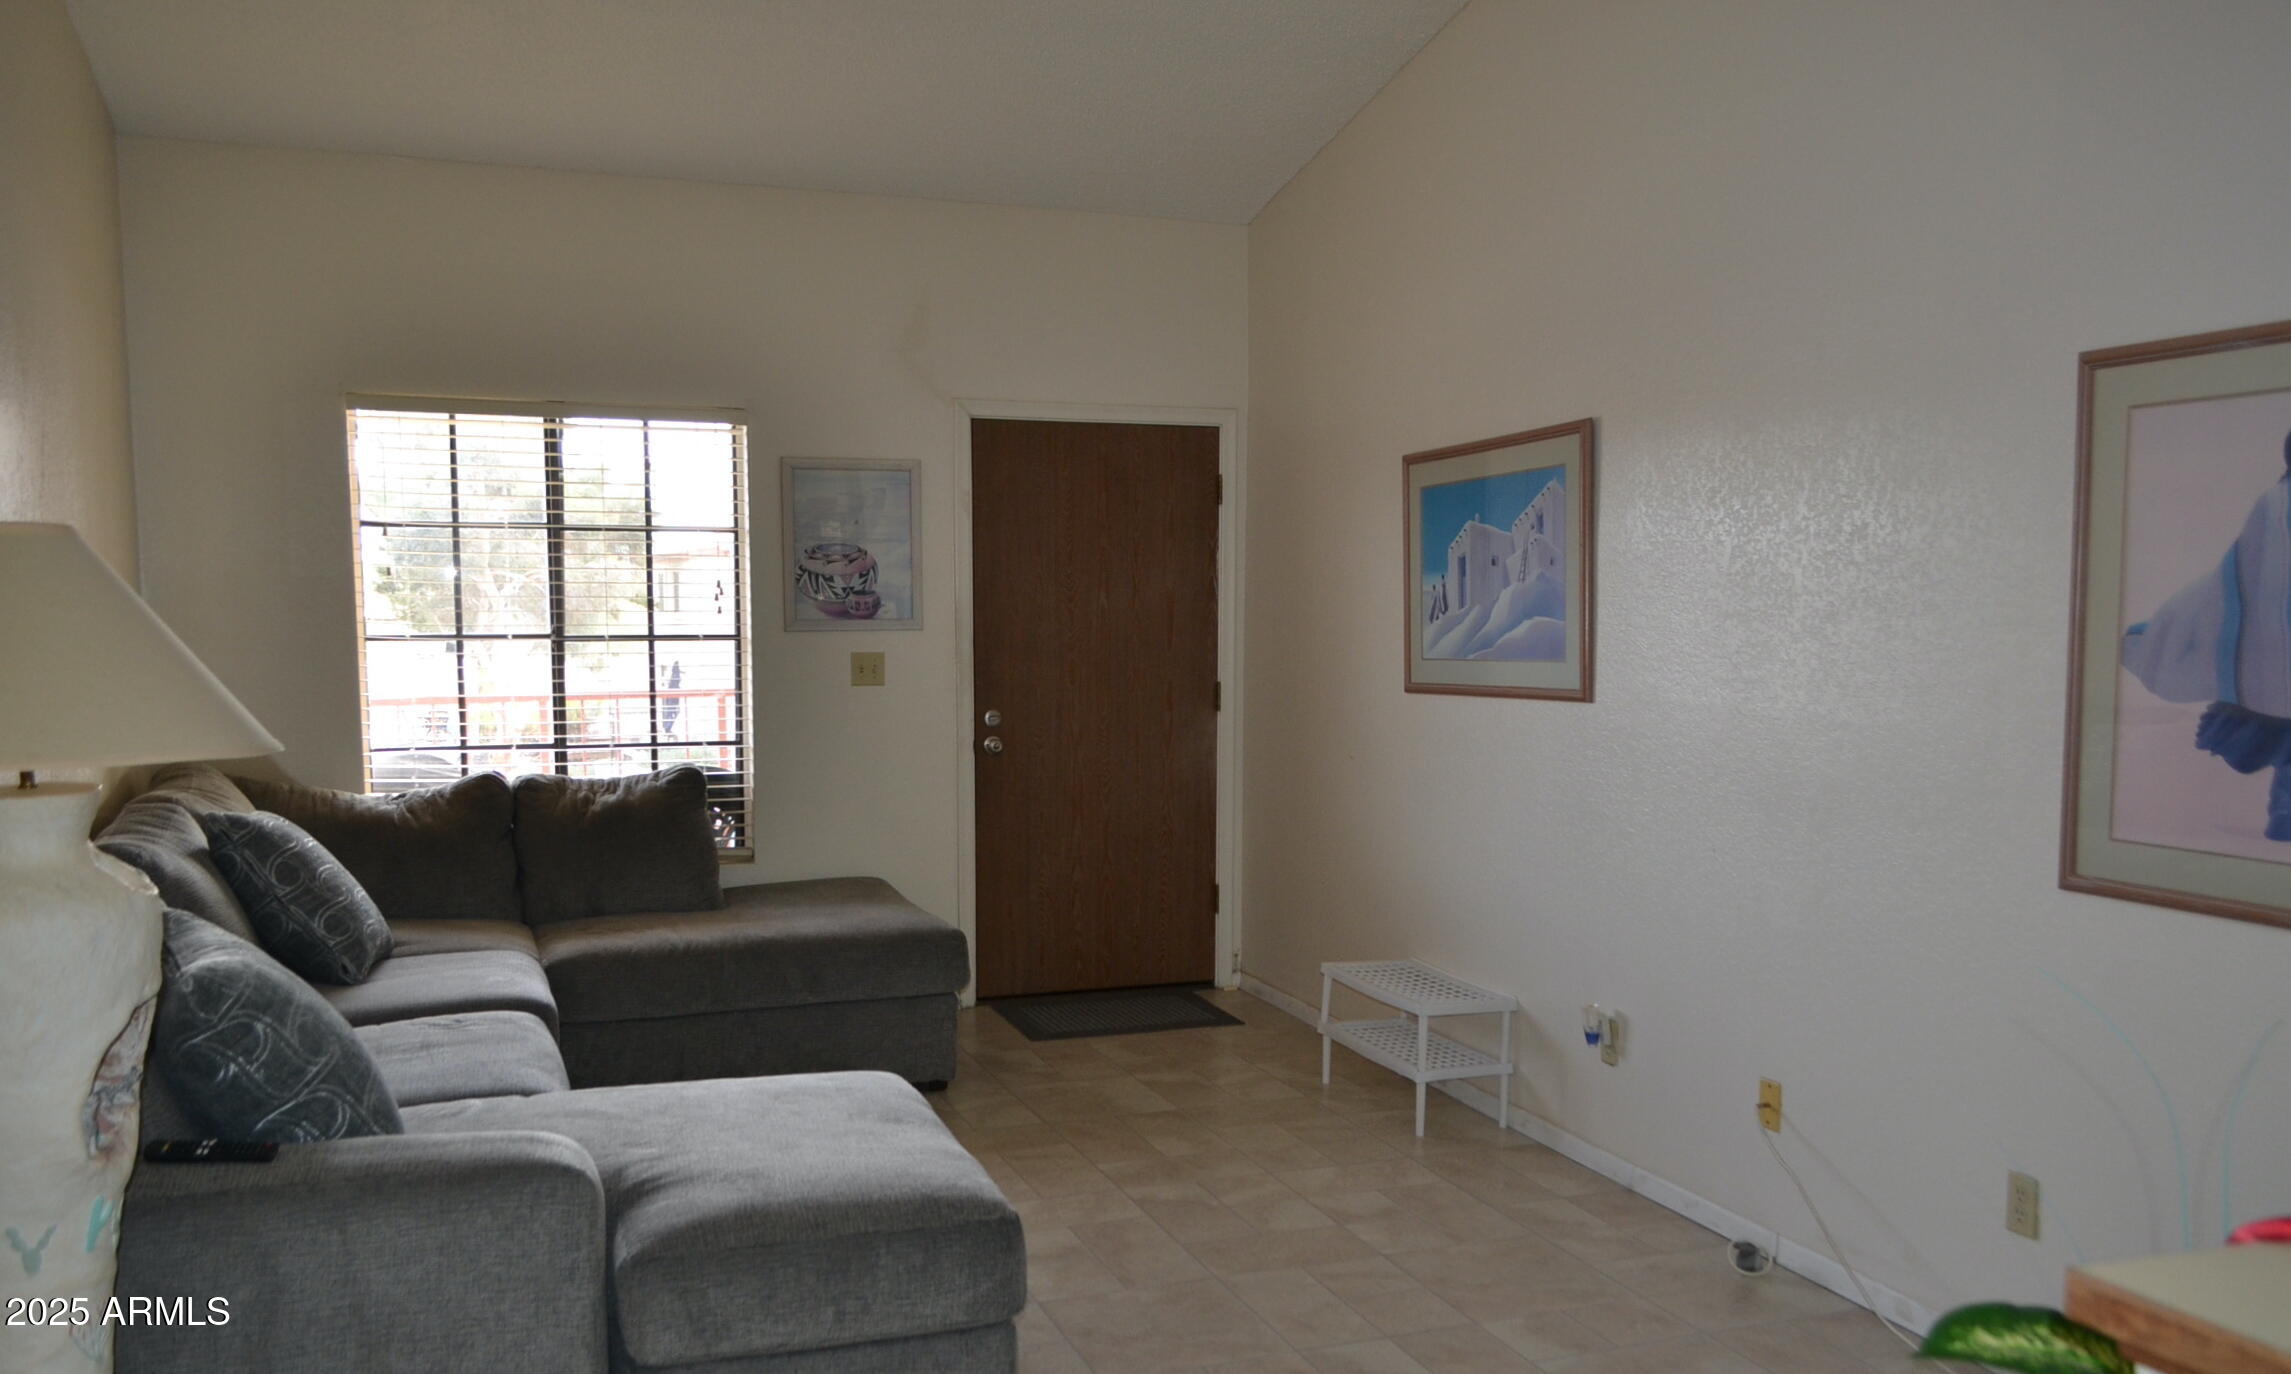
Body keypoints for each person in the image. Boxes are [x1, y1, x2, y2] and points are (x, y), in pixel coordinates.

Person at [2122, 429, 2291, 840]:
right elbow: (2255, 577)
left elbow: (2243, 576)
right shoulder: (2277, 504)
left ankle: (2284, 816)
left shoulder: (2276, 502)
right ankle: (2284, 816)